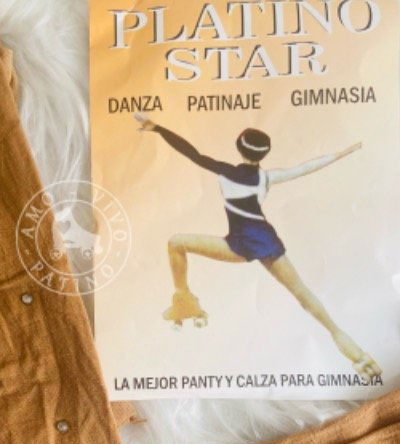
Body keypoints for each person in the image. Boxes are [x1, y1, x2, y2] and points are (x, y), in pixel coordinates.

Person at [134, 112, 381, 378]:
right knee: (303, 295)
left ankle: (184, 301)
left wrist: (157, 128)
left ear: (239, 148)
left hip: (238, 246)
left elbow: (191, 153)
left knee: (176, 243)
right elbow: (306, 168)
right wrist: (342, 153)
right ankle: (358, 355)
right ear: (264, 153)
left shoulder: (224, 171)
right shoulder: (267, 178)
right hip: (266, 241)